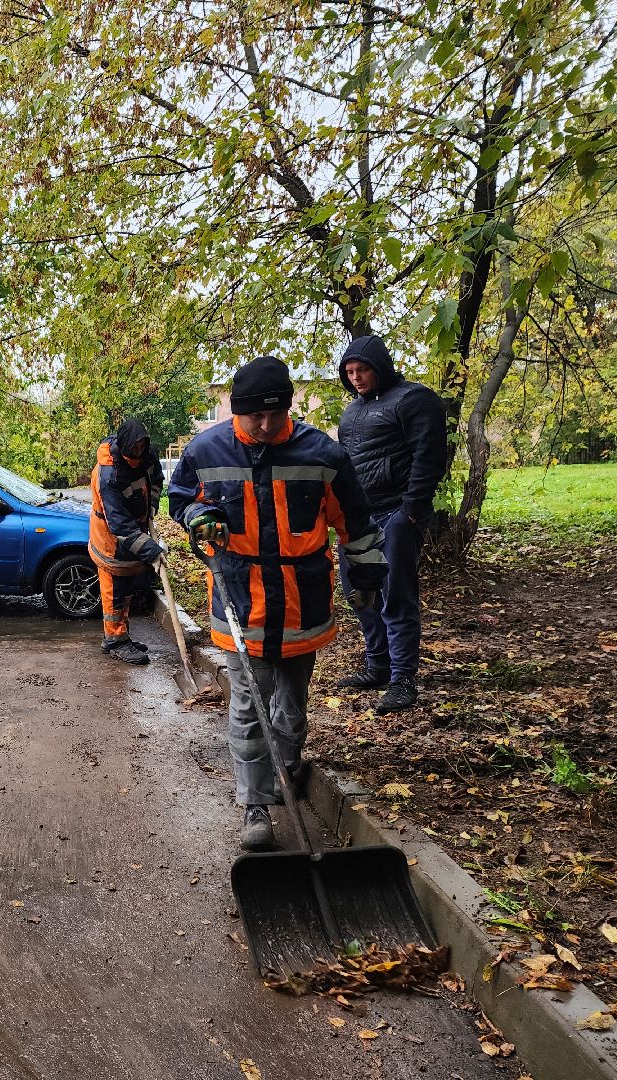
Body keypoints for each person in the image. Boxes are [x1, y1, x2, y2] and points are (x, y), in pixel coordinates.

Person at [169, 357, 387, 850]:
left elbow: (355, 522)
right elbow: (180, 497)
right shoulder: (206, 450)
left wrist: (368, 576)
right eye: (255, 416)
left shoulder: (322, 454)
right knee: (249, 706)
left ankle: (286, 772)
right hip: (240, 598)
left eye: (276, 414)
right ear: (236, 411)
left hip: (300, 603)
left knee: (291, 706)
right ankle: (256, 804)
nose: (266, 425)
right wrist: (198, 514)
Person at [335, 334, 449, 713]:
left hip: (396, 514)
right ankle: (378, 666)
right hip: (358, 520)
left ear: (379, 367)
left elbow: (429, 457)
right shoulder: (352, 411)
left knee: (396, 597)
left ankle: (403, 679)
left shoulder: (413, 399)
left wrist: (410, 511)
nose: (356, 377)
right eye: (350, 371)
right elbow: (346, 465)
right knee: (359, 593)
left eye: (362, 369)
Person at [90, 417, 166, 666]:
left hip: (135, 529)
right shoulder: (109, 474)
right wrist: (151, 550)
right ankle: (115, 641)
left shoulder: (147, 455)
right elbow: (120, 524)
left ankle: (120, 636)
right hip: (110, 538)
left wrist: (152, 506)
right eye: (134, 448)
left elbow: (156, 481)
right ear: (123, 446)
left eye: (142, 446)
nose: (139, 451)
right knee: (115, 590)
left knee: (127, 588)